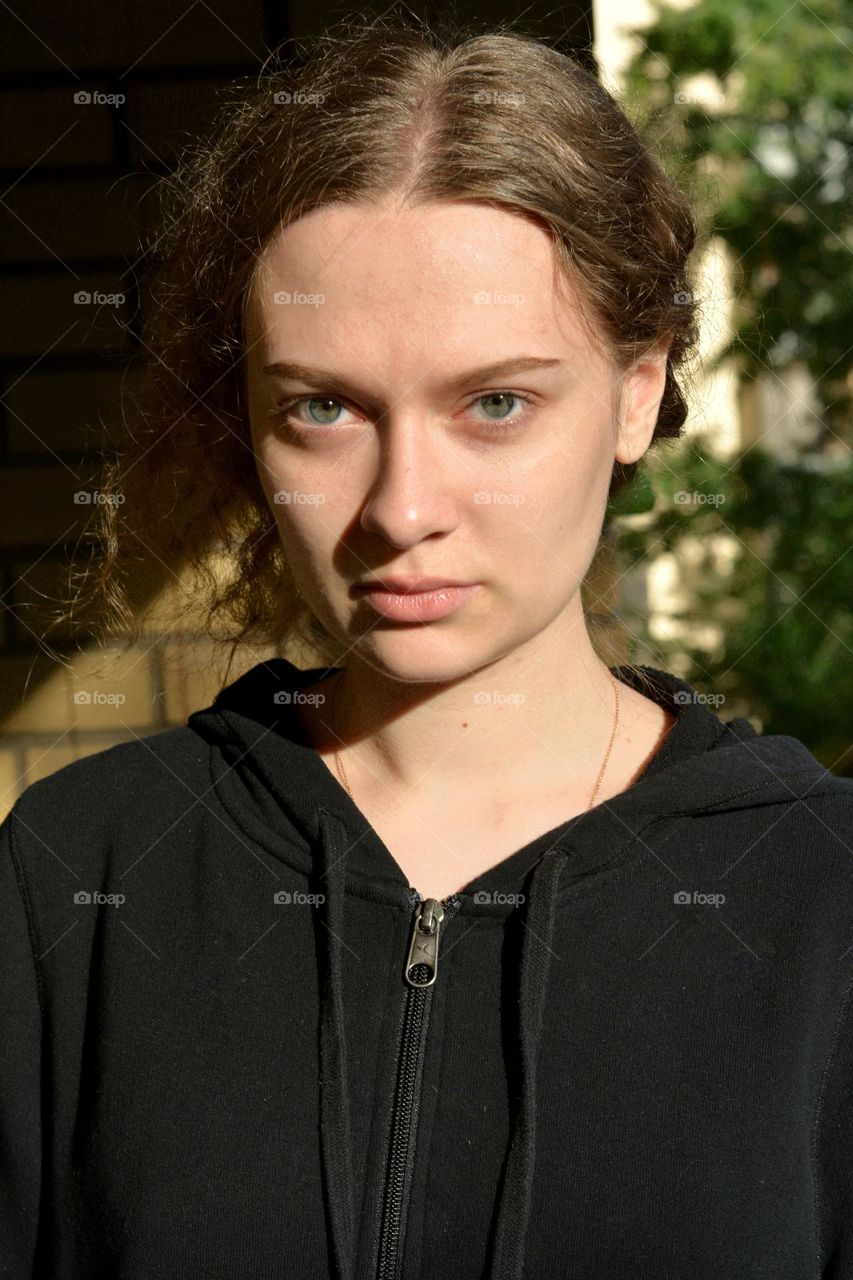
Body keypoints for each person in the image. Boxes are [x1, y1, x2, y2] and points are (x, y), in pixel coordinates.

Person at [2, 14, 852, 1280]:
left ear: (635, 389)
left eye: (495, 402)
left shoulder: (819, 897)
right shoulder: (78, 875)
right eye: (324, 408)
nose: (402, 507)